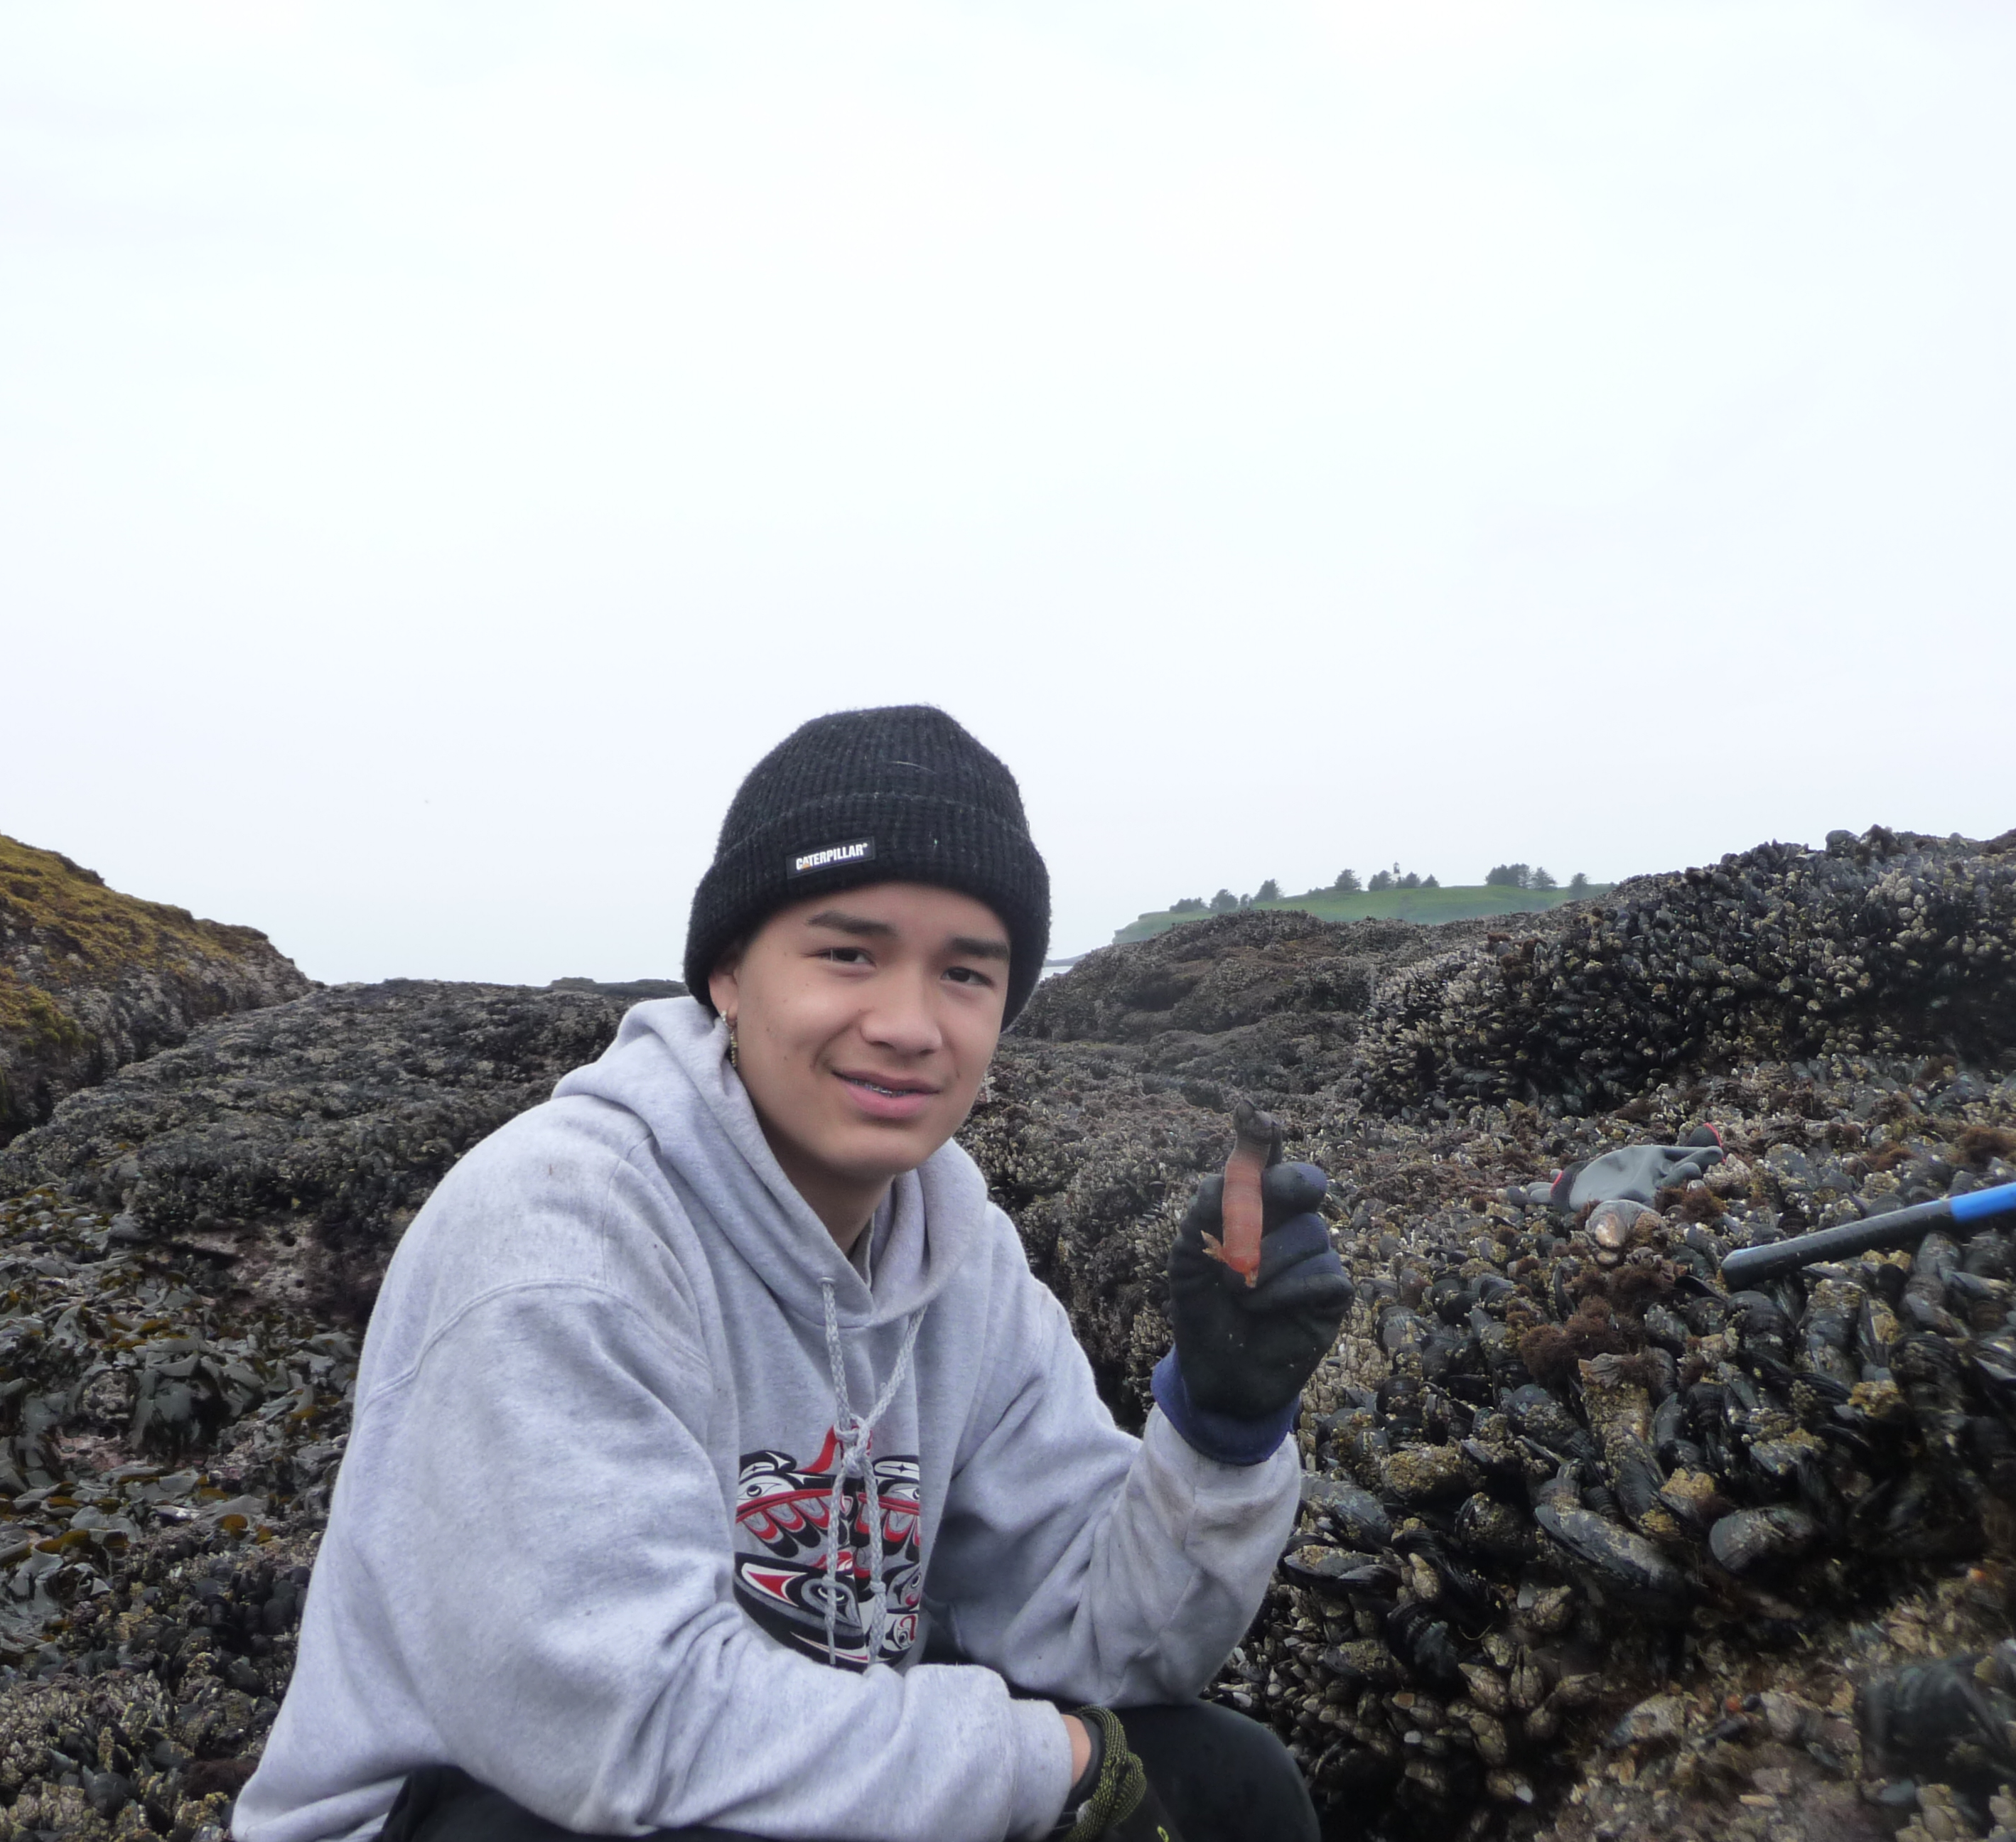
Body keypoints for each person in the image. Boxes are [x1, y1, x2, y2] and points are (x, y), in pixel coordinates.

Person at [235, 706, 1353, 1842]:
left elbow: (1115, 1646)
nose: (910, 1024)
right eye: (847, 953)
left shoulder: (964, 1261)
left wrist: (1220, 1432)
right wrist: (1044, 1763)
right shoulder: (562, 1236)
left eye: (966, 973)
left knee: (1229, 1784)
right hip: (479, 1813)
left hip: (797, 1785)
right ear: (728, 970)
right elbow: (624, 1723)